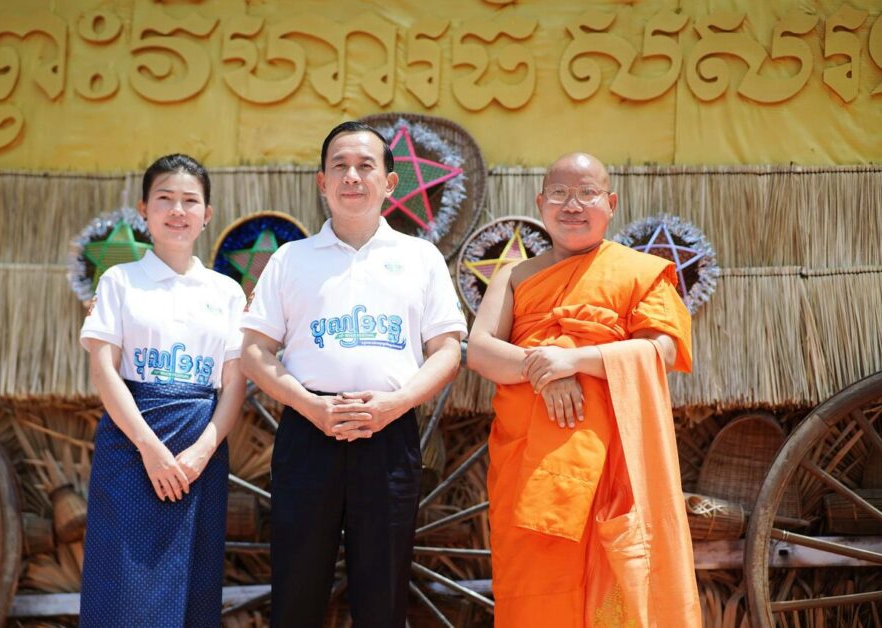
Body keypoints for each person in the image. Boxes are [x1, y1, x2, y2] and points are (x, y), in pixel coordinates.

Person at [239, 121, 467, 627]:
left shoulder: (420, 258)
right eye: (339, 166)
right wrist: (310, 406)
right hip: (307, 431)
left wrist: (394, 405)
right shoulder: (290, 259)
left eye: (366, 166)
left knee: (383, 595)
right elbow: (254, 351)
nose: (352, 176)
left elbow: (447, 351)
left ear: (390, 182)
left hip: (389, 432)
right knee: (296, 590)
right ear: (322, 182)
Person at [468, 153, 701, 627]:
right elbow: (480, 351)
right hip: (529, 470)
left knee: (616, 585)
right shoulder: (514, 276)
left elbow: (662, 350)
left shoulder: (639, 272)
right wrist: (549, 369)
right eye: (559, 194)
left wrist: (573, 360)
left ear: (610, 203)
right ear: (541, 203)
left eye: (587, 194)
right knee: (536, 593)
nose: (572, 205)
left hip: (612, 464)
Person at [79, 154, 246, 627]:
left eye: (190, 201)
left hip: (200, 456)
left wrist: (203, 450)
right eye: (165, 199)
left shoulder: (226, 292)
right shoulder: (119, 282)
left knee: (193, 586)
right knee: (123, 585)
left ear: (207, 214)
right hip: (130, 449)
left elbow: (235, 382)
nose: (177, 210)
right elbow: (104, 370)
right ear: (144, 210)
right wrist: (149, 448)